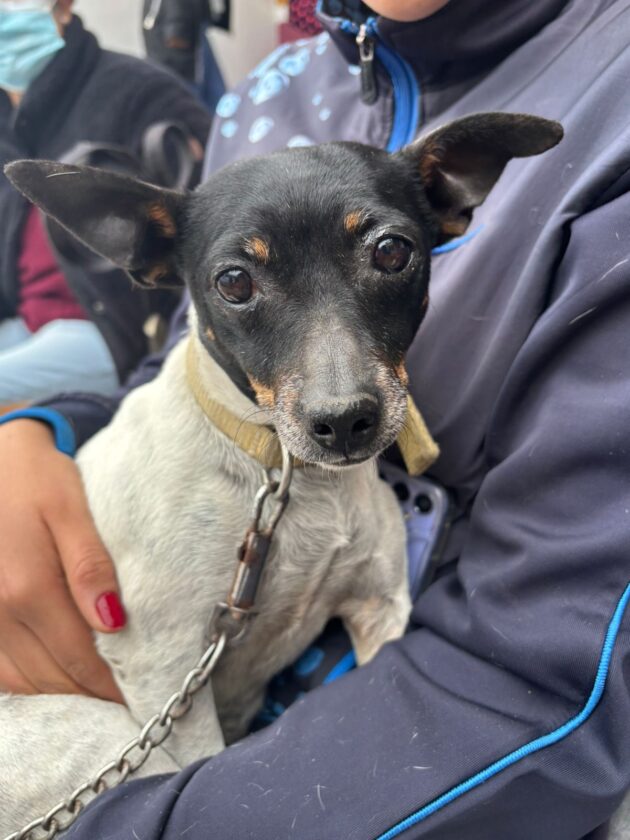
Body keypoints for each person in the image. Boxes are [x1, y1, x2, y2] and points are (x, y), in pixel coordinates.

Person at [1, 0, 629, 837]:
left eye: (386, 254)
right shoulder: (263, 95)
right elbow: (178, 359)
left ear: (447, 199)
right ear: (153, 255)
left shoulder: (613, 102)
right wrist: (45, 427)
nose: (337, 402)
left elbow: (548, 672)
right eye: (237, 283)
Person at [0, 0, 211, 406]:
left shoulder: (141, 93)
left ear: (64, 6)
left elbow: (213, 219)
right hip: (26, 320)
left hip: (110, 331)